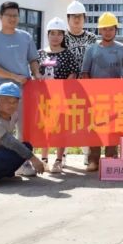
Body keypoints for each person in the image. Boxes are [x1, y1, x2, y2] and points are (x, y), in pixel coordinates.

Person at [0, 1, 42, 176]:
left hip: (25, 90)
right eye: (9, 15)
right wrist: (14, 76)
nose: (13, 19)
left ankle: (22, 163)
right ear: (0, 17)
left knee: (24, 127)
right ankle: (3, 164)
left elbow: (33, 59)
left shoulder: (25, 37)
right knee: (4, 129)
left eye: (15, 15)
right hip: (3, 94)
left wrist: (36, 73)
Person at [81, 12, 123, 172]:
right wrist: (90, 93)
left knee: (114, 128)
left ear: (116, 30)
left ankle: (111, 157)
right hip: (96, 98)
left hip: (117, 98)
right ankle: (93, 160)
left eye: (111, 29)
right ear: (99, 30)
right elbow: (85, 73)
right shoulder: (92, 50)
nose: (107, 32)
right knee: (95, 128)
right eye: (104, 29)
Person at [36, 17, 81, 174]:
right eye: (52, 33)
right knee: (45, 128)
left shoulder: (68, 54)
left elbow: (73, 73)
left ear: (63, 36)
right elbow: (35, 74)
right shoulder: (40, 54)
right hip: (44, 99)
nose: (55, 37)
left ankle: (59, 160)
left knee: (61, 129)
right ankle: (44, 159)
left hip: (62, 98)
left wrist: (61, 90)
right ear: (47, 34)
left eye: (59, 33)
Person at [64, 0, 97, 165]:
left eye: (80, 16)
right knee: (65, 121)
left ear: (84, 18)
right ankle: (62, 155)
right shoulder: (62, 36)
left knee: (86, 121)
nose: (77, 19)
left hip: (87, 86)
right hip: (66, 85)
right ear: (68, 18)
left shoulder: (91, 37)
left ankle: (87, 153)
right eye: (73, 16)